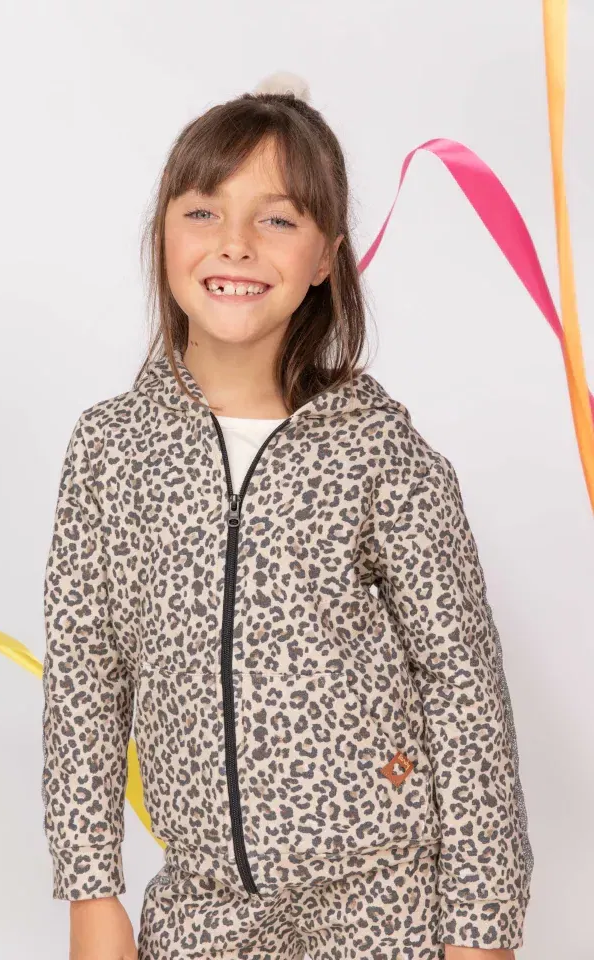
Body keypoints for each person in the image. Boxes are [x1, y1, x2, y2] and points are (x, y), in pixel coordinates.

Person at [41, 72, 533, 960]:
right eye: (203, 211)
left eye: (276, 219)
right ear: (162, 236)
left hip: (384, 906)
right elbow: (85, 676)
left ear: (324, 258)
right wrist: (91, 890)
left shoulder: (377, 446)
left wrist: (482, 927)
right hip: (203, 910)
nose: (234, 243)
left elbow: (463, 687)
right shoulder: (110, 449)